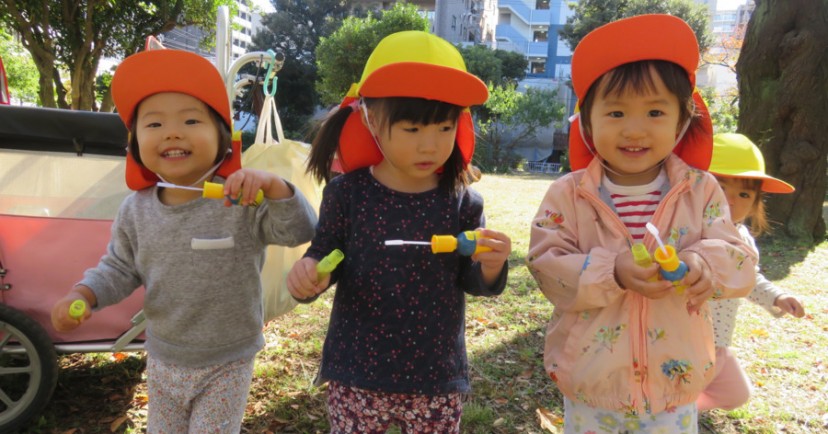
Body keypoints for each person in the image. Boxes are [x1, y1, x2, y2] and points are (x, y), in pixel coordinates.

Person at [50, 49, 317, 433]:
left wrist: (276, 188)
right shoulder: (135, 210)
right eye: (154, 124)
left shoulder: (240, 198)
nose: (172, 132)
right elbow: (119, 268)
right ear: (135, 143)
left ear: (223, 138)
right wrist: (84, 294)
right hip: (162, 354)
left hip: (228, 358)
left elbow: (299, 231)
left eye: (191, 120)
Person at [526, 15, 758, 433]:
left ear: (682, 121)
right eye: (615, 112)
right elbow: (546, 266)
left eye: (655, 111)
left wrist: (703, 264)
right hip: (594, 384)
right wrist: (611, 271)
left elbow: (739, 259)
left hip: (675, 381)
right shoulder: (569, 194)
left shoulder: (700, 190)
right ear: (588, 123)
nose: (635, 129)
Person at [286, 31, 512, 434]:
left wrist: (491, 266)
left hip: (436, 373)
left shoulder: (461, 201)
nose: (431, 145)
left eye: (444, 128)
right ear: (372, 119)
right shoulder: (347, 193)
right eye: (412, 130)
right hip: (357, 369)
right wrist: (309, 274)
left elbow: (472, 279)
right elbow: (325, 255)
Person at [697, 133, 806, 411]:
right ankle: (669, 413)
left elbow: (749, 278)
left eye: (744, 194)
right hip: (681, 339)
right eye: (720, 188)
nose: (731, 200)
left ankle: (679, 409)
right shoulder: (687, 229)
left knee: (735, 394)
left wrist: (776, 297)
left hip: (718, 341)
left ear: (756, 203)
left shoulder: (743, 239)